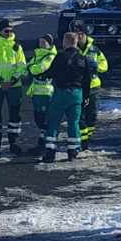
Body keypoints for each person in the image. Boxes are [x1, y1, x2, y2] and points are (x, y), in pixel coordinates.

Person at [42, 33, 94, 162]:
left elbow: (50, 73)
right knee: (74, 123)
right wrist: (86, 96)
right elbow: (87, 80)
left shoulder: (59, 57)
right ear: (76, 42)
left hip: (60, 93)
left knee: (53, 122)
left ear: (65, 42)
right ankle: (73, 151)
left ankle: (50, 151)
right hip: (76, 94)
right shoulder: (83, 59)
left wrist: (40, 75)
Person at [0, 20, 27, 155]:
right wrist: (0, 80)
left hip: (14, 86)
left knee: (14, 115)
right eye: (6, 31)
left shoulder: (17, 47)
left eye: (11, 31)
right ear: (0, 31)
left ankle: (13, 142)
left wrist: (13, 80)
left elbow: (22, 65)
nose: (9, 33)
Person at [76, 23, 109, 146]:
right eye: (76, 34)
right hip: (78, 86)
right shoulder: (72, 50)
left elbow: (104, 65)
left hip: (93, 87)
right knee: (80, 114)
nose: (79, 37)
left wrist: (95, 69)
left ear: (85, 34)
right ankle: (83, 140)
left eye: (81, 34)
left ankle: (88, 136)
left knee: (92, 114)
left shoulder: (94, 49)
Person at [25, 35, 57, 155]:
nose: (41, 44)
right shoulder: (38, 55)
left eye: (44, 42)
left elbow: (39, 68)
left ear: (50, 44)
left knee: (43, 119)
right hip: (37, 91)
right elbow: (27, 66)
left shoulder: (50, 56)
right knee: (39, 119)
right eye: (40, 42)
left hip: (45, 91)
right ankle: (43, 143)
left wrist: (31, 69)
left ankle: (45, 145)